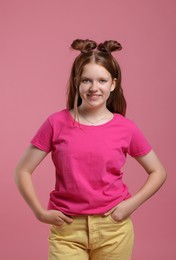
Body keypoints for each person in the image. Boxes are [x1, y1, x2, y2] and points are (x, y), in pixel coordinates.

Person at [14, 39, 167, 260]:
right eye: (87, 80)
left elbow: (158, 172)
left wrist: (129, 206)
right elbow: (22, 170)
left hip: (113, 230)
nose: (94, 88)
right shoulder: (56, 123)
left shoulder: (126, 127)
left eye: (102, 80)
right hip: (67, 230)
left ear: (113, 84)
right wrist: (39, 212)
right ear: (77, 82)